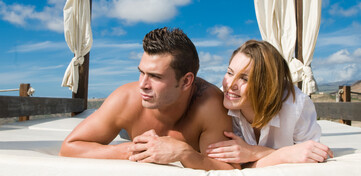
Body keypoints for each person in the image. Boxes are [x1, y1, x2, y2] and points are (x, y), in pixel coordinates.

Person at [60, 27, 239, 170]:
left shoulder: (208, 104)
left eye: (155, 76)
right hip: (132, 126)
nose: (143, 85)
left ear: (186, 81)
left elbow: (229, 167)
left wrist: (185, 153)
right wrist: (133, 149)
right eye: (141, 72)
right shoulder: (126, 98)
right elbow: (70, 146)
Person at [206, 40, 333, 167]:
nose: (230, 85)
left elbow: (311, 155)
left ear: (267, 85)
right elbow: (230, 165)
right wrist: (285, 154)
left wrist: (252, 153)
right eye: (229, 73)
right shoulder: (219, 102)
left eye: (245, 78)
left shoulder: (296, 105)